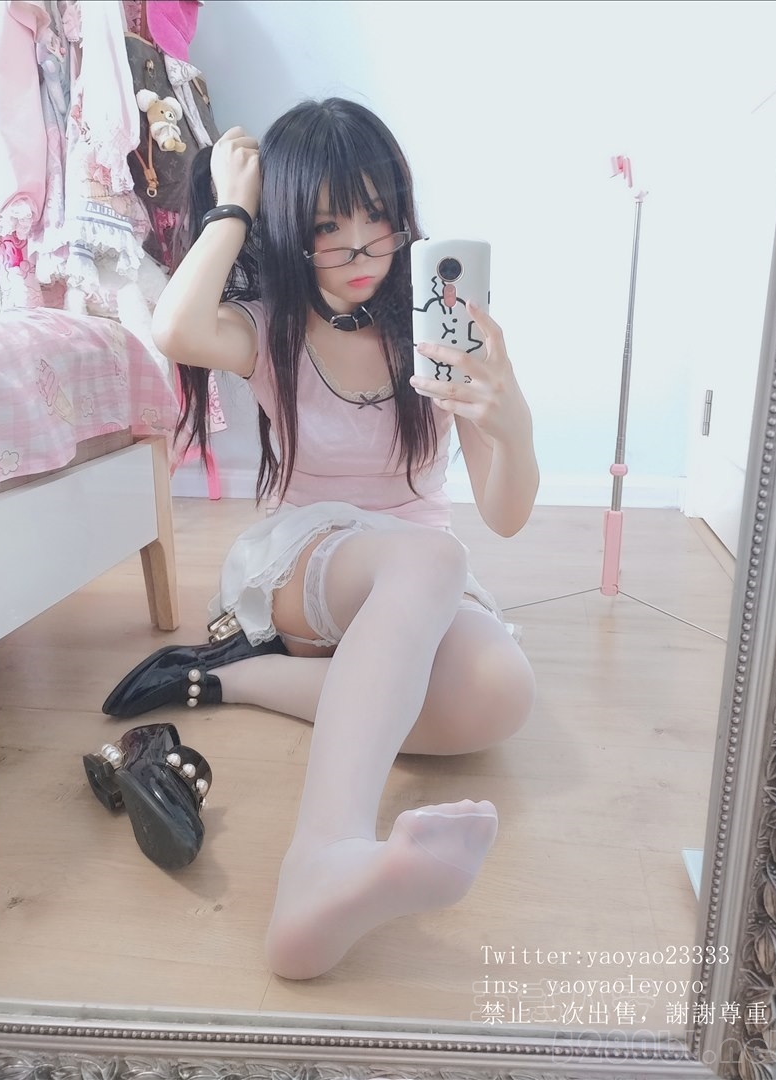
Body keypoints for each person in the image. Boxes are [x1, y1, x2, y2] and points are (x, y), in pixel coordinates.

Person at [102, 97, 539, 981]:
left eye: (377, 217)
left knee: (502, 694)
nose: (360, 249)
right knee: (432, 555)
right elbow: (173, 327)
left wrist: (513, 423)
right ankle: (322, 857)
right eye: (327, 227)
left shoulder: (437, 333)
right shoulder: (271, 327)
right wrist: (234, 202)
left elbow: (505, 513)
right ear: (289, 232)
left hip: (413, 578)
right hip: (305, 561)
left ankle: (229, 676)